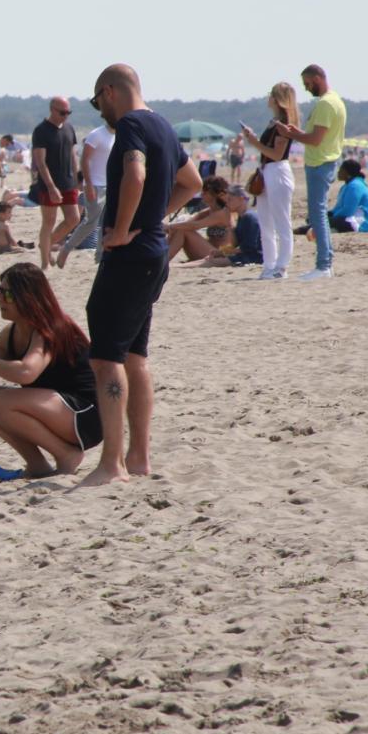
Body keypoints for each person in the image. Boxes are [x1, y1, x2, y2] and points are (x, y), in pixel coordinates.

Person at [78, 65, 201, 488]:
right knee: (134, 356)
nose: (100, 113)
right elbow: (192, 182)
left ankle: (112, 463)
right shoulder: (163, 126)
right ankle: (139, 457)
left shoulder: (131, 123)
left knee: (106, 357)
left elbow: (135, 175)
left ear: (109, 92)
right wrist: (153, 219)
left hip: (131, 255)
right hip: (153, 252)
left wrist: (121, 229)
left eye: (97, 103)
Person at [0, 262, 99, 477]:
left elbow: (27, 372)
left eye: (8, 295)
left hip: (86, 415)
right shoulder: (12, 333)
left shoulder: (51, 327)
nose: (1, 300)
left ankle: (65, 454)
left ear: (29, 298)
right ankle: (36, 464)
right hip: (56, 409)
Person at [275, 64, 346, 280]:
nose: (306, 89)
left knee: (318, 214)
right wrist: (297, 133)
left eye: (308, 84)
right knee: (318, 213)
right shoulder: (334, 101)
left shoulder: (326, 104)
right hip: (324, 161)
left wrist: (291, 135)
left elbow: (316, 139)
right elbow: (316, 135)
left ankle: (324, 264)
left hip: (320, 163)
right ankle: (324, 264)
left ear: (317, 78)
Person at [240, 82, 304, 280]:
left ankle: (281, 266)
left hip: (277, 171)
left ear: (277, 99)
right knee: (265, 221)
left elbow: (276, 154)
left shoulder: (283, 124)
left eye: (271, 95)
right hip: (268, 170)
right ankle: (270, 264)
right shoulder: (275, 121)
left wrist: (254, 143)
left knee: (281, 221)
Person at [30, 97, 80, 270]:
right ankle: (45, 262)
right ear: (52, 109)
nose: (66, 116)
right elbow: (40, 162)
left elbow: (72, 156)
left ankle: (46, 244)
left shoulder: (69, 128)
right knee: (49, 222)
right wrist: (51, 187)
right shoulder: (41, 131)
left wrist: (77, 179)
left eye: (68, 112)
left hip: (68, 182)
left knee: (74, 219)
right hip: (49, 184)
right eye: (62, 112)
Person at [56, 121, 112, 269]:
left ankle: (100, 256)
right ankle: (66, 249)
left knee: (105, 222)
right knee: (91, 222)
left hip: (110, 184)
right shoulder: (96, 134)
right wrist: (88, 184)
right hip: (95, 184)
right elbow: (84, 159)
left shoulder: (118, 136)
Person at [164, 176, 233, 263]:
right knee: (179, 228)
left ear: (213, 195)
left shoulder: (222, 213)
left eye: (204, 193)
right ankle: (158, 255)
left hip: (220, 254)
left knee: (183, 230)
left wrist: (168, 226)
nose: (201, 195)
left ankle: (163, 260)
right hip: (209, 250)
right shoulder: (208, 211)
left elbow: (195, 226)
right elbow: (189, 223)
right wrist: (167, 229)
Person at [200, 187, 264, 267]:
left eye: (230, 200)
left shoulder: (249, 217)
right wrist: (229, 226)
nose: (226, 203)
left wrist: (222, 252)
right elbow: (235, 243)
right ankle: (179, 266)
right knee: (208, 260)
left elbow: (248, 247)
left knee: (210, 262)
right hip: (246, 255)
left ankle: (179, 267)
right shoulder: (242, 217)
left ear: (241, 199)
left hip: (253, 258)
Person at [328, 159, 368, 232]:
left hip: (364, 223)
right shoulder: (346, 186)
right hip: (350, 218)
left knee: (325, 222)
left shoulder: (355, 186)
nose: (338, 172)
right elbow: (338, 208)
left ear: (348, 173)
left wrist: (332, 217)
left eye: (341, 170)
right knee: (317, 218)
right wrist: (329, 214)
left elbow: (348, 211)